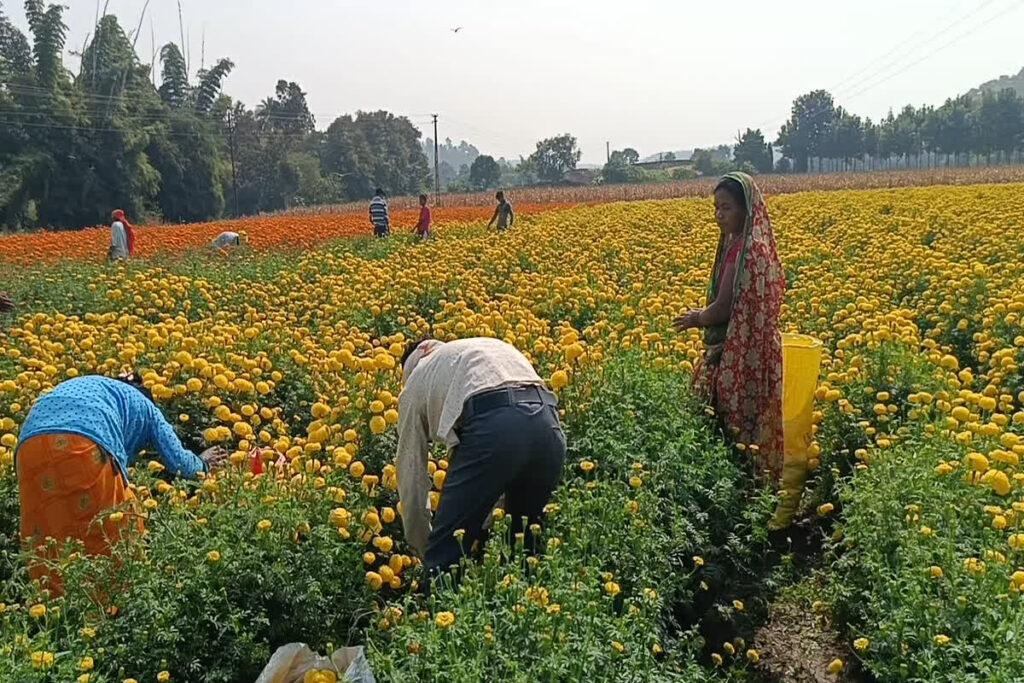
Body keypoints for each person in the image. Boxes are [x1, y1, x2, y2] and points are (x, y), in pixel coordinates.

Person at [15, 374, 227, 590]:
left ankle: (53, 611)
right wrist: (203, 464)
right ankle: (111, 609)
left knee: (49, 534)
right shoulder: (147, 406)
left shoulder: (98, 386)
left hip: (27, 448)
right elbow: (180, 462)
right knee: (119, 528)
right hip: (82, 443)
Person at [396, 337, 566, 582]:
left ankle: (441, 614)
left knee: (446, 558)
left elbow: (410, 472)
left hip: (493, 426)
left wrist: (427, 548)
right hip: (548, 424)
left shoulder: (417, 378)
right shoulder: (471, 352)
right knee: (524, 549)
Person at [673, 172, 785, 483]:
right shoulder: (749, 245)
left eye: (727, 208)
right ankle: (752, 484)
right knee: (748, 420)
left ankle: (738, 487)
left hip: (741, 351)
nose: (719, 216)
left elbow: (724, 308)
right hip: (755, 348)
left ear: (746, 210)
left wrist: (696, 318)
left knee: (729, 419)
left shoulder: (743, 250)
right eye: (716, 208)